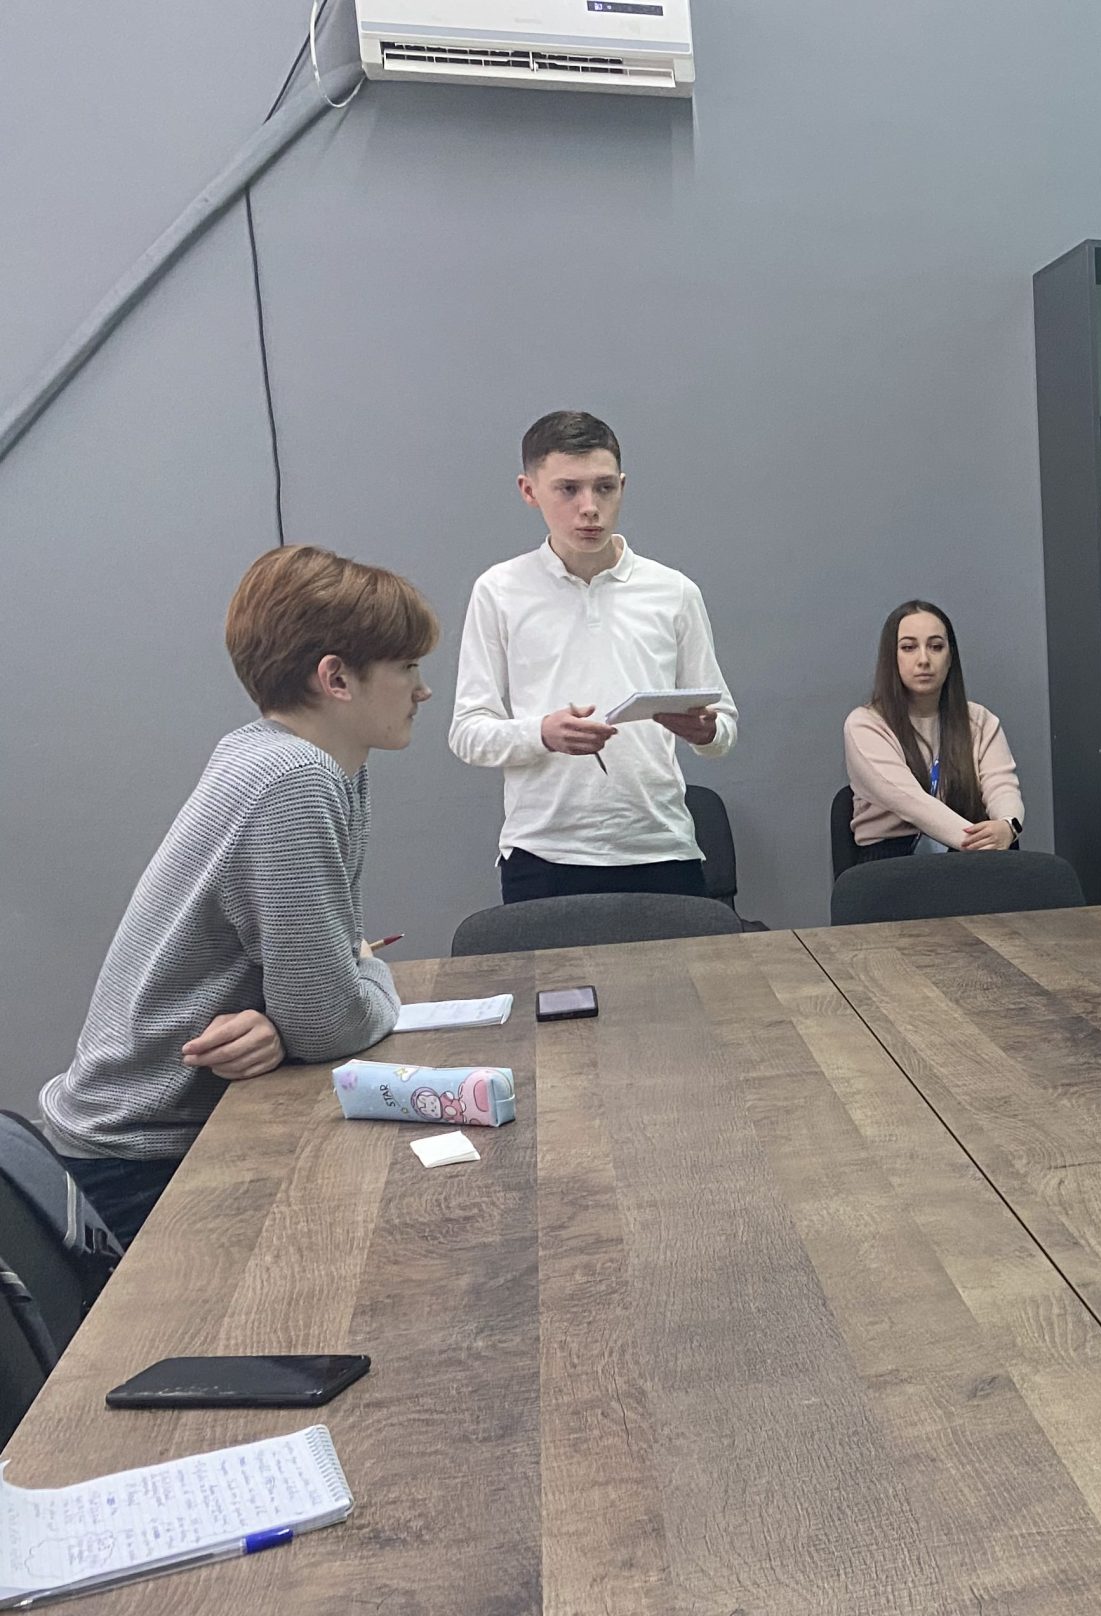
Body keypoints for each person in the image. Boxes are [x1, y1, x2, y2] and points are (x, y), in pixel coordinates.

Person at [39, 547, 433, 1243]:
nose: (421, 690)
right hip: (139, 1161)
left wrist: (290, 1020)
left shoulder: (289, 756)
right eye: (406, 667)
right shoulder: (294, 778)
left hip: (164, 1131)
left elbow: (316, 995)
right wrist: (367, 980)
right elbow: (331, 1020)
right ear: (337, 678)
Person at [448, 410, 739, 903]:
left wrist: (706, 731)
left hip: (662, 848)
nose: (590, 508)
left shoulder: (674, 591)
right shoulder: (499, 590)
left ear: (622, 486)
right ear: (528, 490)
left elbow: (724, 727)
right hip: (543, 855)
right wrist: (542, 733)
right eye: (568, 489)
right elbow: (468, 732)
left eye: (604, 488)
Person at [841, 599, 1024, 860]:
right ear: (891, 658)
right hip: (892, 861)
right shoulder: (865, 724)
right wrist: (978, 843)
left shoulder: (980, 720)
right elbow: (911, 803)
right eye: (909, 648)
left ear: (950, 658)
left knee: (1012, 854)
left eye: (936, 647)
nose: (924, 659)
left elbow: (1003, 786)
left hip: (966, 855)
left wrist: (1007, 826)